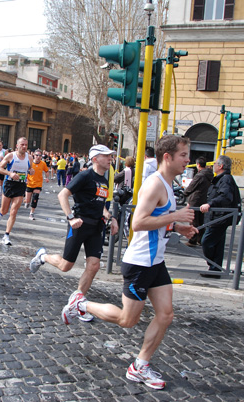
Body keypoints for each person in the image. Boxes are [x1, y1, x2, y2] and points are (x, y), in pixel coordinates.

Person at [56, 136, 196, 390]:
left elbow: (159, 219)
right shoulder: (155, 185)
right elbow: (139, 223)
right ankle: (81, 303)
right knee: (127, 320)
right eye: (184, 155)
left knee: (165, 315)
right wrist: (175, 216)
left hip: (156, 262)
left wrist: (177, 227)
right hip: (140, 263)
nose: (188, 160)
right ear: (168, 157)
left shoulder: (168, 182)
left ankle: (139, 366)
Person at [28, 144, 120, 322]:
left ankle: (77, 303)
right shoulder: (85, 175)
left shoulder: (105, 179)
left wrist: (111, 218)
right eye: (106, 156)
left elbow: (99, 204)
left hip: (96, 227)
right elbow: (62, 194)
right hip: (79, 225)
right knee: (65, 266)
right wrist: (71, 218)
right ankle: (43, 257)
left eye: (111, 156)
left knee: (93, 266)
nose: (110, 158)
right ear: (95, 159)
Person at [199, 155, 240, 278]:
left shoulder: (225, 179)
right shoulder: (222, 178)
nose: (213, 166)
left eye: (215, 163)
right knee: (217, 244)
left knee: (206, 242)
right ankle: (215, 269)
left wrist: (210, 204)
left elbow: (225, 197)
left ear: (221, 166)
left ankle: (214, 266)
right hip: (219, 216)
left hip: (219, 217)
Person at [0, 137, 34, 246]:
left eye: (26, 145)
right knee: (4, 210)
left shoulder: (29, 158)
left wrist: (31, 171)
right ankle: (1, 212)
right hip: (9, 184)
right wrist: (10, 174)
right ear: (17, 145)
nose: (24, 147)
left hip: (21, 185)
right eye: (22, 144)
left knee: (13, 211)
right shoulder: (11, 156)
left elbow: (30, 169)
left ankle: (6, 235)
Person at [183, 157, 213, 247]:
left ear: (198, 165)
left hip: (195, 200)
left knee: (194, 221)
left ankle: (192, 240)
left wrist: (185, 193)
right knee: (200, 220)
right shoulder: (209, 175)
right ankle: (201, 239)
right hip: (203, 199)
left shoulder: (200, 175)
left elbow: (192, 186)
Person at [24, 150, 49, 220]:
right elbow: (25, 171)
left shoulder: (43, 163)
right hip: (29, 183)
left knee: (35, 197)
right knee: (27, 200)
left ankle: (31, 213)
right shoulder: (30, 163)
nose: (38, 157)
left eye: (40, 155)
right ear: (34, 155)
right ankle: (27, 201)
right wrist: (26, 179)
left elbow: (46, 171)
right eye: (37, 155)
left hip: (38, 183)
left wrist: (47, 178)